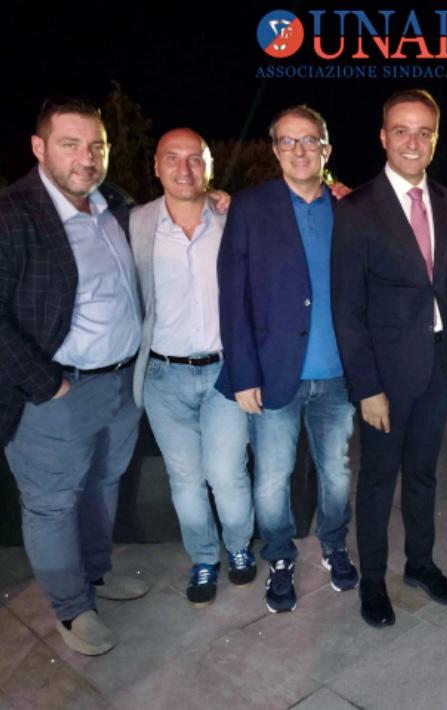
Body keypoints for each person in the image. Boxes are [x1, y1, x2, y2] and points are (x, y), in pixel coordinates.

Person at [0, 98, 149, 656]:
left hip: (120, 385)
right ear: (39, 148)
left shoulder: (113, 204)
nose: (87, 158)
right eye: (71, 144)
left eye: (97, 146)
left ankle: (94, 577)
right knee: (53, 504)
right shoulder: (13, 215)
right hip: (56, 394)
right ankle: (71, 609)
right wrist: (47, 385)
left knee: (103, 485)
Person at [332, 89, 447, 628]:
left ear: (435, 138)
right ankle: (372, 580)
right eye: (402, 130)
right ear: (384, 137)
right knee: (378, 480)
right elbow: (346, 308)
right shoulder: (357, 209)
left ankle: (420, 564)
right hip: (384, 377)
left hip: (436, 369)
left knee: (424, 475)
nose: (413, 141)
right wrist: (366, 386)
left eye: (424, 132)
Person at [217, 106, 358, 614]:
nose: (299, 150)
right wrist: (243, 373)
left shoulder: (348, 209)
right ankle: (279, 555)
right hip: (274, 372)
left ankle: (334, 544)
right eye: (288, 141)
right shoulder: (250, 209)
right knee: (272, 478)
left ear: (326, 149)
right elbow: (233, 296)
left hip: (338, 375)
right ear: (275, 150)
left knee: (336, 471)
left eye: (309, 140)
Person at [130, 128, 254, 607]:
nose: (184, 169)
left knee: (227, 474)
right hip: (163, 377)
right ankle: (203, 558)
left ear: (209, 167)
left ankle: (238, 546)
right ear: (156, 166)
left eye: (195, 159)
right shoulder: (136, 223)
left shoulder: (232, 220)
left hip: (224, 373)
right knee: (184, 480)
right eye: (172, 158)